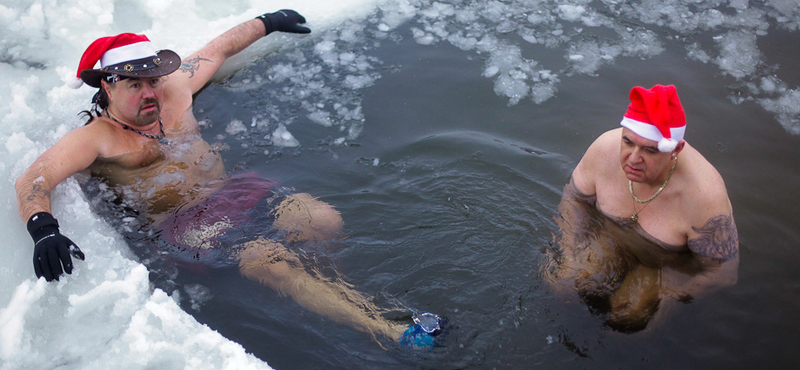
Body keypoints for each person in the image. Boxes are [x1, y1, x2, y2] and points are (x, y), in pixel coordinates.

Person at [15, 9, 442, 346]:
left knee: (322, 218)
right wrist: (43, 229)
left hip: (234, 193)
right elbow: (34, 178)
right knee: (266, 260)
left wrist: (268, 22)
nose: (150, 93)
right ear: (107, 86)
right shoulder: (95, 139)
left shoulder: (175, 92)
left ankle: (324, 296)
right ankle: (389, 329)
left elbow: (217, 49)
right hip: (182, 224)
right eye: (134, 85)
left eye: (153, 81)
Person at [543, 84, 739, 333]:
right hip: (611, 237)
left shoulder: (703, 196)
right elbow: (574, 199)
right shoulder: (605, 149)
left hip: (666, 265)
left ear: (675, 150)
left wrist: (666, 292)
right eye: (628, 142)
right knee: (563, 282)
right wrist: (569, 250)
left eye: (650, 150)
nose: (633, 158)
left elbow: (722, 274)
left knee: (629, 316)